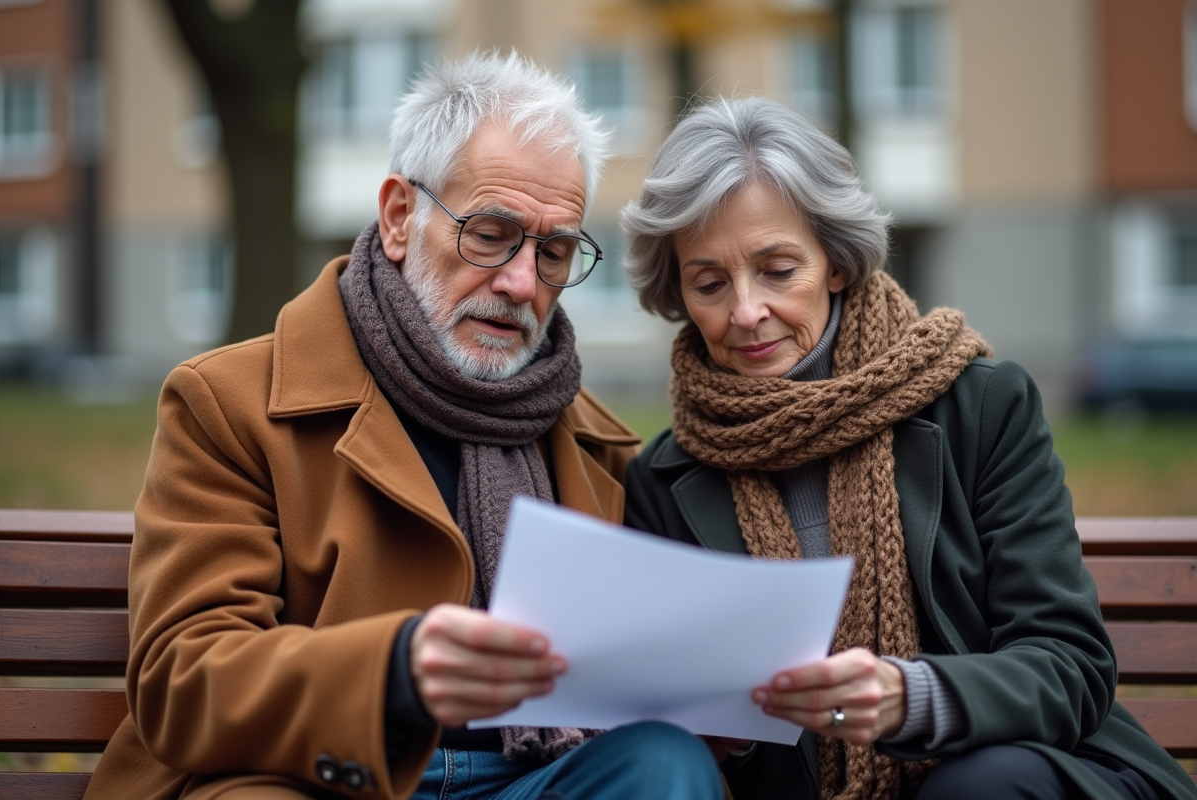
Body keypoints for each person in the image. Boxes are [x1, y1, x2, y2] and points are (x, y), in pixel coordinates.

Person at [82, 52, 724, 800]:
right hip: (317, 776)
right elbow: (182, 679)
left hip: (529, 779)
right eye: (490, 233)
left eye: (553, 252)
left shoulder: (599, 446)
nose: (522, 282)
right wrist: (394, 670)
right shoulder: (228, 403)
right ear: (398, 218)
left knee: (663, 764)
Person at [619, 96, 1197, 800]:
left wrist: (910, 696)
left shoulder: (980, 406)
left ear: (835, 262)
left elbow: (1069, 665)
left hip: (1034, 775)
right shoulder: (665, 477)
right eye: (709, 283)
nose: (745, 311)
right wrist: (719, 729)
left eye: (777, 270)